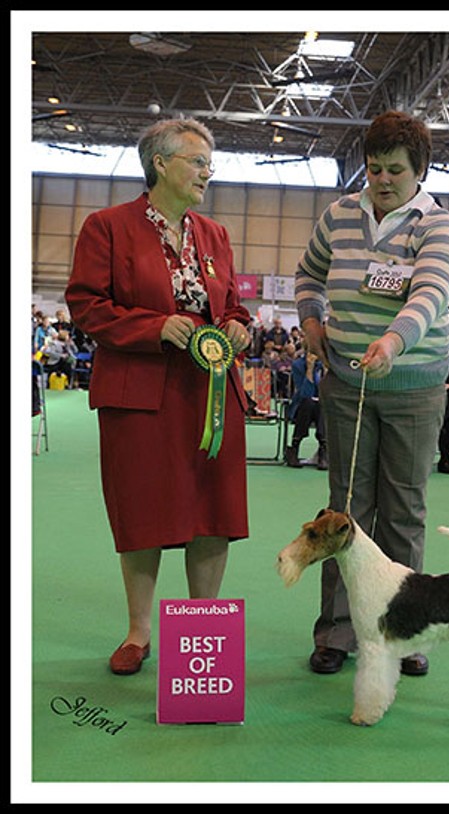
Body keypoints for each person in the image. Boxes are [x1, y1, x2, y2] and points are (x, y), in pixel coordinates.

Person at [65, 117, 252, 676]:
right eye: (198, 162)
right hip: (139, 392)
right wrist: (154, 328)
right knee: (142, 510)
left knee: (213, 511)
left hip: (210, 391)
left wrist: (239, 326)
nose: (207, 172)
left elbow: (232, 304)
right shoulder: (107, 227)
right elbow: (86, 305)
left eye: (209, 163)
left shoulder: (215, 235)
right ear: (161, 164)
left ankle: (203, 626)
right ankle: (138, 632)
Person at [295, 109, 449, 677]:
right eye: (374, 168)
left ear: (420, 170)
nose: (383, 179)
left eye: (395, 169)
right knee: (345, 513)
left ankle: (404, 631)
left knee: (402, 514)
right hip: (348, 383)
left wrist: (393, 341)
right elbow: (308, 274)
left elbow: (430, 294)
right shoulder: (339, 215)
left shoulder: (438, 225)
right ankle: (338, 632)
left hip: (414, 386)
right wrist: (311, 319)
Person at [284, 344, 327, 470]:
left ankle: (323, 450)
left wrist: (326, 372)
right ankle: (295, 447)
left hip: (322, 407)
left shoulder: (326, 365)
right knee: (308, 402)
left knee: (320, 404)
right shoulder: (298, 365)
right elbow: (305, 393)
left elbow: (328, 393)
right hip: (300, 406)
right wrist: (309, 369)